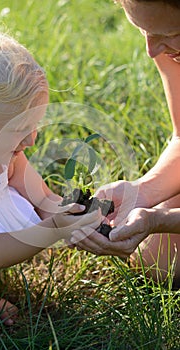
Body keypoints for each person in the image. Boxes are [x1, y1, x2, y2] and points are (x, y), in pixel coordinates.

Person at [0, 28, 102, 326]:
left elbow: (43, 199)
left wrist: (77, 214)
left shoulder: (8, 151)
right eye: (19, 130)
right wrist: (53, 229)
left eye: (35, 125)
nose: (30, 141)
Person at [71, 0, 180, 288]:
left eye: (170, 33)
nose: (152, 50)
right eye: (143, 30)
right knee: (158, 263)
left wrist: (161, 220)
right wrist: (141, 191)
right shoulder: (167, 50)